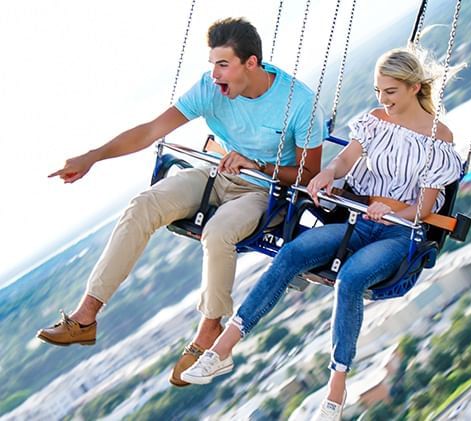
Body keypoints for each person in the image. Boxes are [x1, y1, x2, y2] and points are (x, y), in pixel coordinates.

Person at [37, 17, 326, 388]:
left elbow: (305, 175)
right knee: (142, 205)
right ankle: (86, 317)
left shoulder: (297, 101)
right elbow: (150, 131)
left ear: (251, 63)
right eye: (212, 64)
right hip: (219, 175)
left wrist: (257, 165)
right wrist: (92, 156)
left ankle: (209, 331)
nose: (214, 74)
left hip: (264, 191)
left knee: (218, 231)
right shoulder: (211, 88)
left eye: (223, 64)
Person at [178, 47, 464, 420]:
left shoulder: (439, 136)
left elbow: (424, 209)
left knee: (351, 280)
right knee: (292, 254)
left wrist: (393, 210)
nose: (383, 100)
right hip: (357, 223)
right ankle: (222, 349)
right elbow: (346, 160)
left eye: (390, 91)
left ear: (413, 87)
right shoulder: (375, 121)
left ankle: (336, 387)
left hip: (398, 236)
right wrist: (328, 173)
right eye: (378, 91)